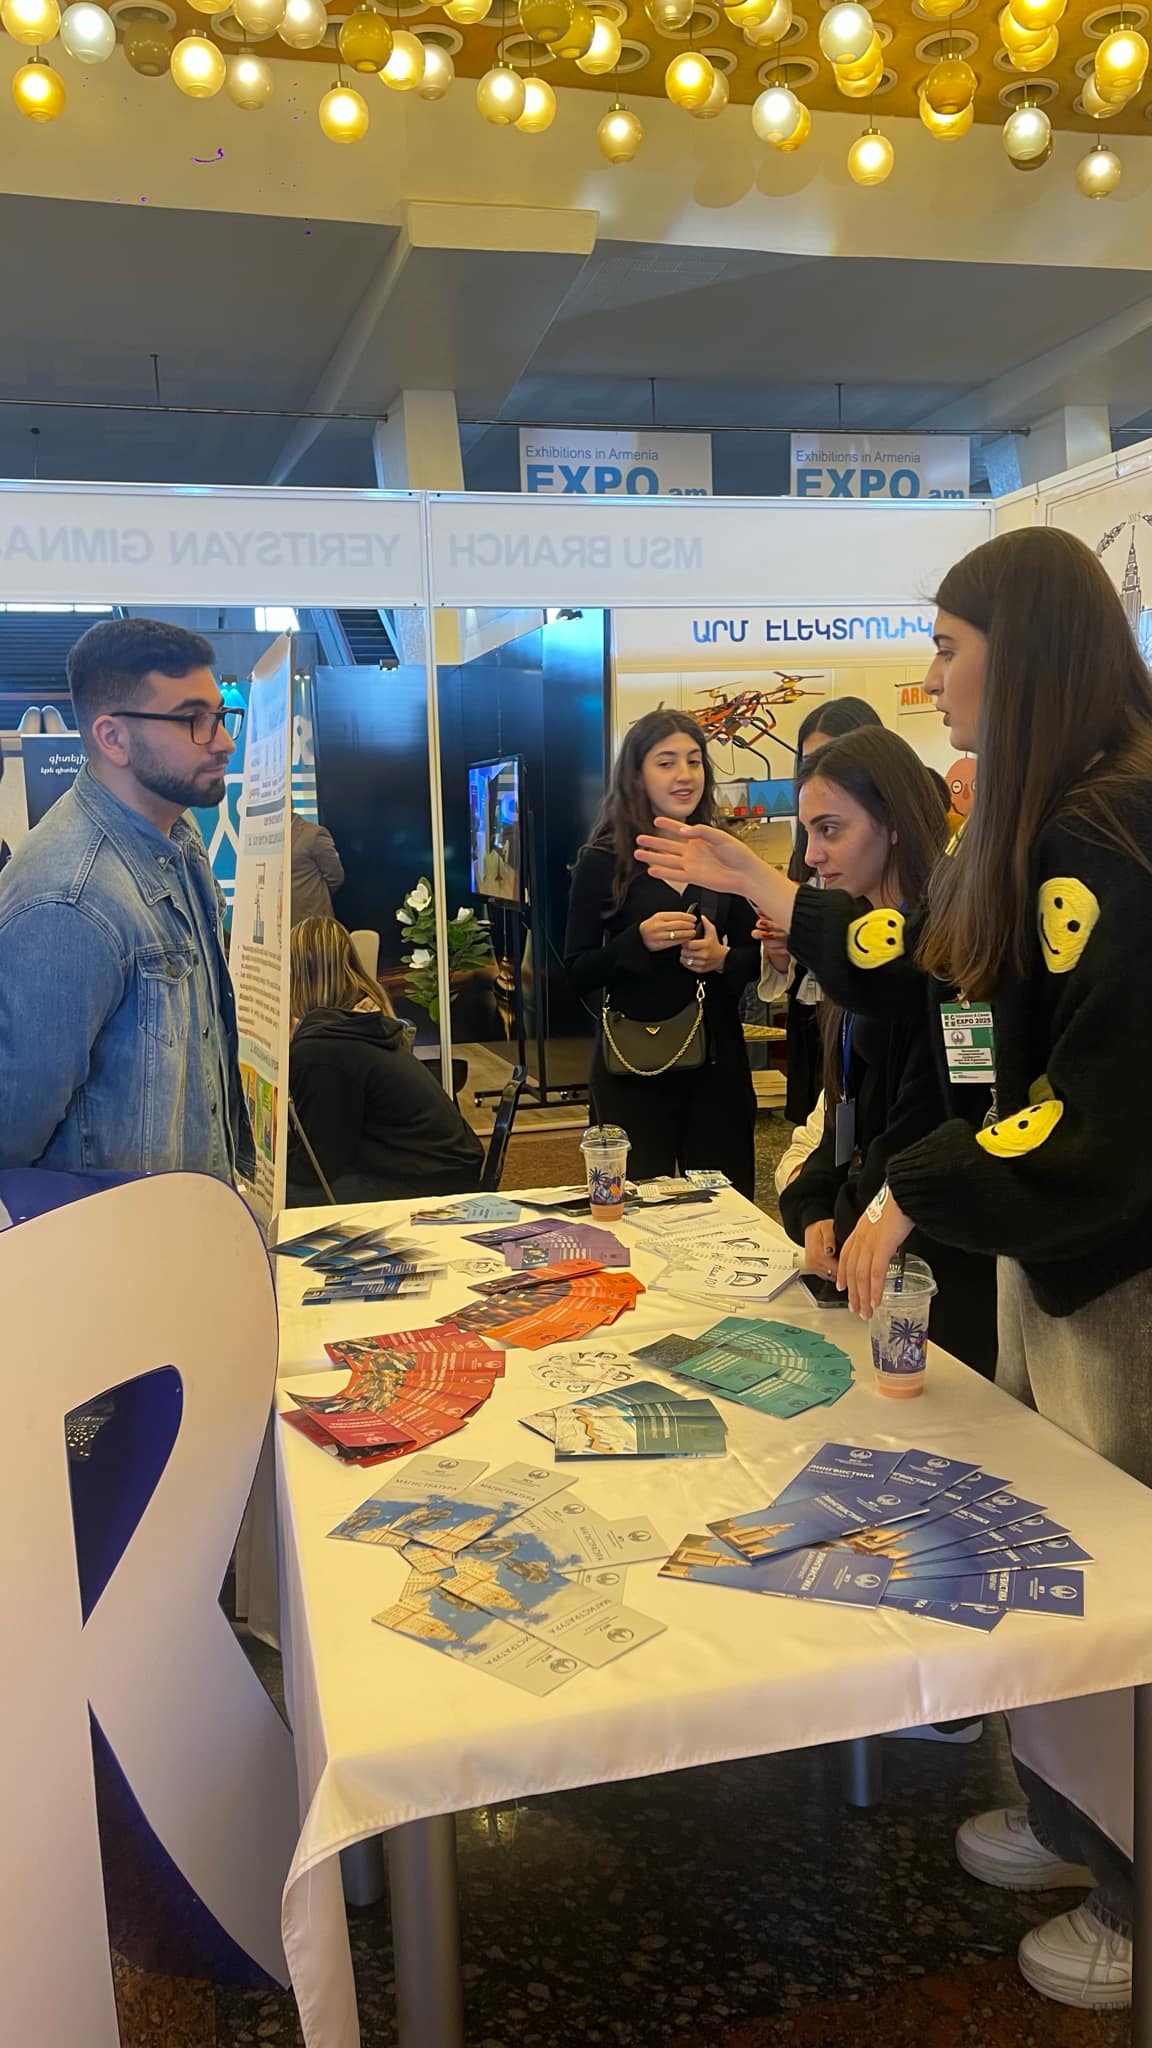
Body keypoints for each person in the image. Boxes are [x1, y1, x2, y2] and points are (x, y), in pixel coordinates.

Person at [635, 526, 1152, 2008]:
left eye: (947, 646)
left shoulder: (1109, 829)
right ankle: (1080, 1824)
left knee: (1121, 1579)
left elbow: (1103, 1110)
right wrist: (770, 890)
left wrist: (916, 1188)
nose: (932, 677)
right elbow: (931, 964)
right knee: (1071, 1555)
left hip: (1114, 1268)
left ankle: (1134, 1892)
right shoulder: (1051, 817)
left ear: (1023, 650)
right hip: (1058, 1259)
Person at [0, 617, 252, 1181]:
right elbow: (10, 1137)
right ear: (112, 737)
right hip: (114, 1233)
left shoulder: (178, 840)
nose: (224, 741)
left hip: (191, 1219)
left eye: (220, 716)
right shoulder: (69, 902)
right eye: (193, 720)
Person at [776, 727, 995, 1374]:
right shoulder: (860, 962)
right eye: (807, 833)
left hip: (938, 1276)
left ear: (893, 824)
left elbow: (924, 1124)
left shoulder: (942, 960)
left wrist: (847, 1216)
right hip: (872, 1261)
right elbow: (845, 1118)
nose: (813, 855)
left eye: (830, 830)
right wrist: (812, 1208)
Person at [565, 709, 759, 1197]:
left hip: (716, 1065)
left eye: (694, 761)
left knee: (725, 1207)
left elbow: (761, 956)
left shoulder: (725, 853)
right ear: (637, 774)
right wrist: (635, 942)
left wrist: (721, 959)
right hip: (631, 1067)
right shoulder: (603, 860)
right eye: (666, 762)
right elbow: (575, 971)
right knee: (633, 1207)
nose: (684, 775)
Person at [288, 916, 484, 1203]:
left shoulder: (323, 1048)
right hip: (445, 1165)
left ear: (295, 976)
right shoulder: (361, 1021)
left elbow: (318, 1166)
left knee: (274, 1199)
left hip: (431, 1181)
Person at [758, 696, 884, 1125]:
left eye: (834, 756)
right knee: (816, 1132)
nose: (819, 772)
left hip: (860, 1017)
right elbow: (786, 969)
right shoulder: (807, 851)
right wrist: (781, 948)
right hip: (811, 1014)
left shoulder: (893, 874)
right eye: (809, 761)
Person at [290, 811, 344, 925]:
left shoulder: (314, 834)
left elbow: (335, 877)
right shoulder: (270, 836)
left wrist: (315, 894)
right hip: (279, 922)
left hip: (311, 921)